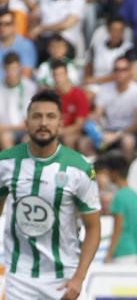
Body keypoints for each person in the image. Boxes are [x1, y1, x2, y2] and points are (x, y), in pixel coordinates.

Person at [0, 89, 101, 300]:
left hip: (64, 278)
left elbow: (93, 228)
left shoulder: (79, 168)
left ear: (60, 123)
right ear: (26, 123)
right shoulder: (6, 162)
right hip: (19, 278)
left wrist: (79, 278)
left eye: (50, 116)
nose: (43, 123)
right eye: (37, 116)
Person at [101, 154, 137, 264]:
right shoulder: (136, 196)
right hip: (136, 251)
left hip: (122, 252)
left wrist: (109, 254)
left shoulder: (119, 197)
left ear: (115, 173)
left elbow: (118, 228)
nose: (108, 176)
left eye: (109, 172)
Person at [0, 53, 37, 150]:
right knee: (5, 137)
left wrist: (7, 127)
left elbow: (31, 119)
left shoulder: (30, 87)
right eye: (9, 69)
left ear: (20, 68)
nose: (11, 73)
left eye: (14, 69)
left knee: (28, 139)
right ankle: (11, 165)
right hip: (5, 131)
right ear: (4, 69)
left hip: (25, 129)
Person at [52, 59, 89, 150]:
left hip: (73, 132)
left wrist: (61, 132)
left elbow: (79, 125)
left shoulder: (78, 94)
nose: (58, 78)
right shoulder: (52, 95)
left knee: (68, 139)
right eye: (55, 75)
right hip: (56, 130)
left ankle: (72, 164)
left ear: (66, 74)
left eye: (60, 74)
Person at [0, 9, 37, 80]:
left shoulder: (26, 45)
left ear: (14, 25)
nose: (2, 27)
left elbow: (26, 76)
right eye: (0, 24)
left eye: (7, 24)